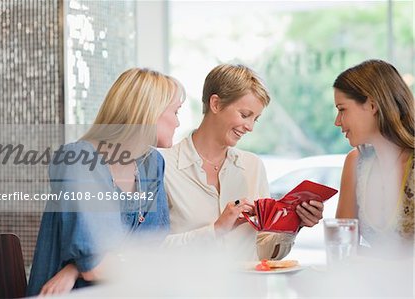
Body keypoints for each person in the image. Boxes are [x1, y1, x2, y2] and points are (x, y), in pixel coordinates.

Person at [27, 68, 184, 295]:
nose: (178, 123)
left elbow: (152, 249)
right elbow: (96, 269)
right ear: (149, 112)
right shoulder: (78, 160)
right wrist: (87, 266)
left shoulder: (152, 163)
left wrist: (75, 268)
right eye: (176, 112)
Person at [161, 64, 324, 260]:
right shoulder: (163, 166)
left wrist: (293, 223)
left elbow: (265, 255)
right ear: (216, 104)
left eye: (256, 119)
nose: (250, 127)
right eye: (245, 115)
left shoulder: (252, 166)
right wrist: (217, 229)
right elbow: (152, 251)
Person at [333, 59, 414, 249]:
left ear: (372, 105)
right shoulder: (355, 163)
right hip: (371, 278)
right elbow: (343, 246)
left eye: (342, 109)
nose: (337, 121)